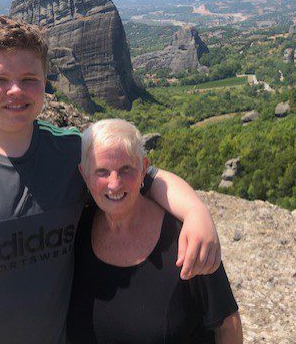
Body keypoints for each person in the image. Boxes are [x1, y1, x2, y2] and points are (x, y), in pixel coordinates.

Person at [0, 16, 221, 344]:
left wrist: (195, 213)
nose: (16, 91)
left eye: (29, 79)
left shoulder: (70, 153)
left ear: (45, 83)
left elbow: (142, 174)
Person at [69, 119, 243, 344]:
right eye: (102, 172)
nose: (114, 184)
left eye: (126, 170)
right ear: (84, 174)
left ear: (143, 169)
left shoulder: (183, 238)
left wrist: (195, 210)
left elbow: (227, 324)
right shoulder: (76, 231)